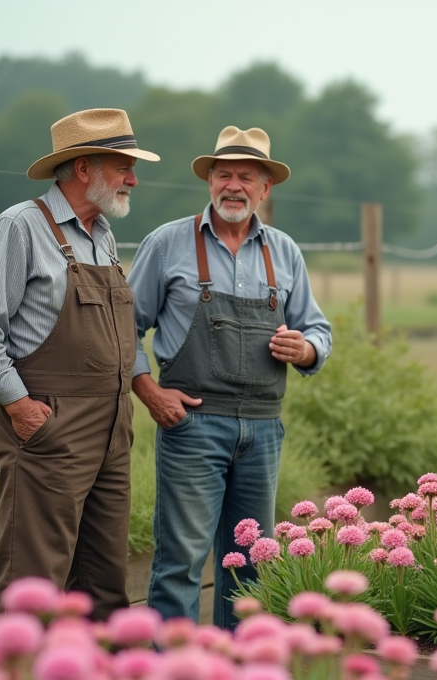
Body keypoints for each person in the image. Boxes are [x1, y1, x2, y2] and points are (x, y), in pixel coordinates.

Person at [0, 108, 160, 620]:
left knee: (102, 575)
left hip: (112, 429)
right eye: (122, 166)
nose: (133, 179)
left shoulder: (101, 234)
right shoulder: (21, 227)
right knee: (32, 576)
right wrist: (20, 407)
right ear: (84, 169)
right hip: (48, 427)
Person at [129, 126, 332, 630]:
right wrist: (148, 390)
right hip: (192, 426)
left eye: (246, 176)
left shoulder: (283, 251)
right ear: (209, 181)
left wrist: (305, 348)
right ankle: (174, 679)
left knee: (250, 560)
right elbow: (121, 329)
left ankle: (240, 676)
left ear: (266, 188)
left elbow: (318, 329)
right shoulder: (167, 244)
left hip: (263, 429)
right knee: (181, 560)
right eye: (224, 174)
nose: (233, 185)